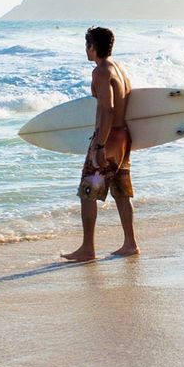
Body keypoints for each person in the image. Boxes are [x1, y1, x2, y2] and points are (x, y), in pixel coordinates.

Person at [63, 27, 137, 261]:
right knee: (121, 191)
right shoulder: (120, 68)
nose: (86, 49)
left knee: (88, 191)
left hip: (108, 139)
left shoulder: (101, 72)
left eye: (87, 45)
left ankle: (88, 248)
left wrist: (100, 145)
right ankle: (130, 243)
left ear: (93, 47)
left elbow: (107, 109)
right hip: (123, 136)